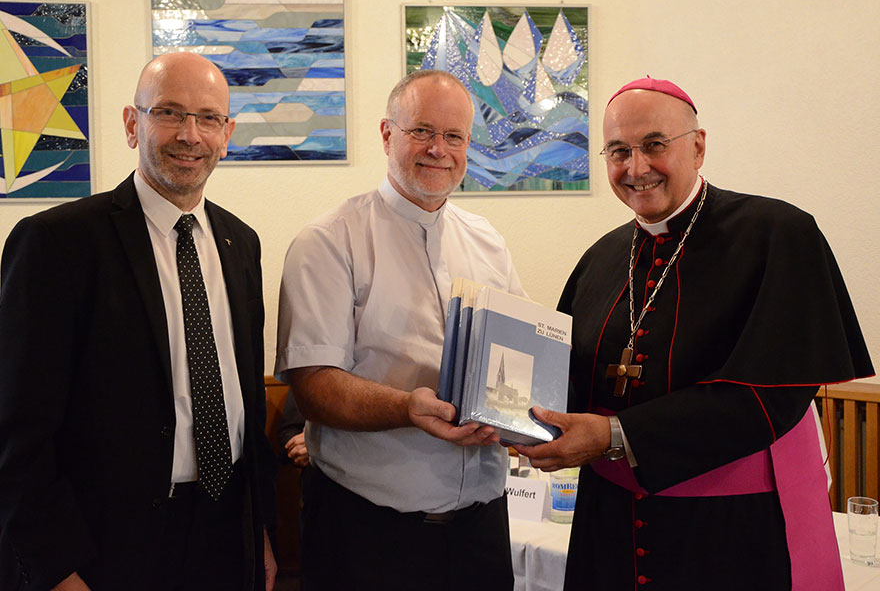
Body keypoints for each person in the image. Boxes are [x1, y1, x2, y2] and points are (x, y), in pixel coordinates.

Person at [515, 77, 874, 590]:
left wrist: (617, 435)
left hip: (732, 535)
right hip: (609, 527)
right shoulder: (600, 259)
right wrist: (511, 417)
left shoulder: (778, 234)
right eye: (618, 151)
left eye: (654, 145)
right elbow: (569, 380)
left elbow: (770, 398)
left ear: (698, 146)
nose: (636, 168)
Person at [0, 52, 277, 591]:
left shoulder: (240, 244)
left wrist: (259, 529)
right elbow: (17, 431)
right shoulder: (57, 243)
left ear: (228, 133)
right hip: (105, 549)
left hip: (227, 534)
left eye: (208, 118)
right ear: (133, 124)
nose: (190, 135)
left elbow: (247, 402)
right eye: (169, 113)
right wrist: (57, 568)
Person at [275, 69, 523, 590]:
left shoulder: (489, 242)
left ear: (468, 145)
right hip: (366, 534)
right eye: (422, 131)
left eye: (453, 136)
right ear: (388, 134)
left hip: (480, 529)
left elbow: (516, 354)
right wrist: (406, 408)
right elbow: (314, 386)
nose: (439, 149)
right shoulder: (329, 240)